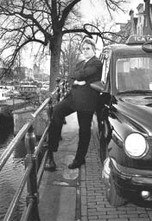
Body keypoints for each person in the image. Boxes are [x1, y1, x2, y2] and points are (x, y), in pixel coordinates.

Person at [45, 38, 102, 170]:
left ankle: (79, 159)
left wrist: (78, 78)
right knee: (57, 110)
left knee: (84, 131)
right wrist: (76, 82)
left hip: (86, 102)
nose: (85, 51)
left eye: (88, 48)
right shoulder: (80, 63)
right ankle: (52, 149)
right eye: (83, 48)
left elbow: (83, 74)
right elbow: (71, 76)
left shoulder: (97, 63)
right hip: (73, 98)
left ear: (93, 49)